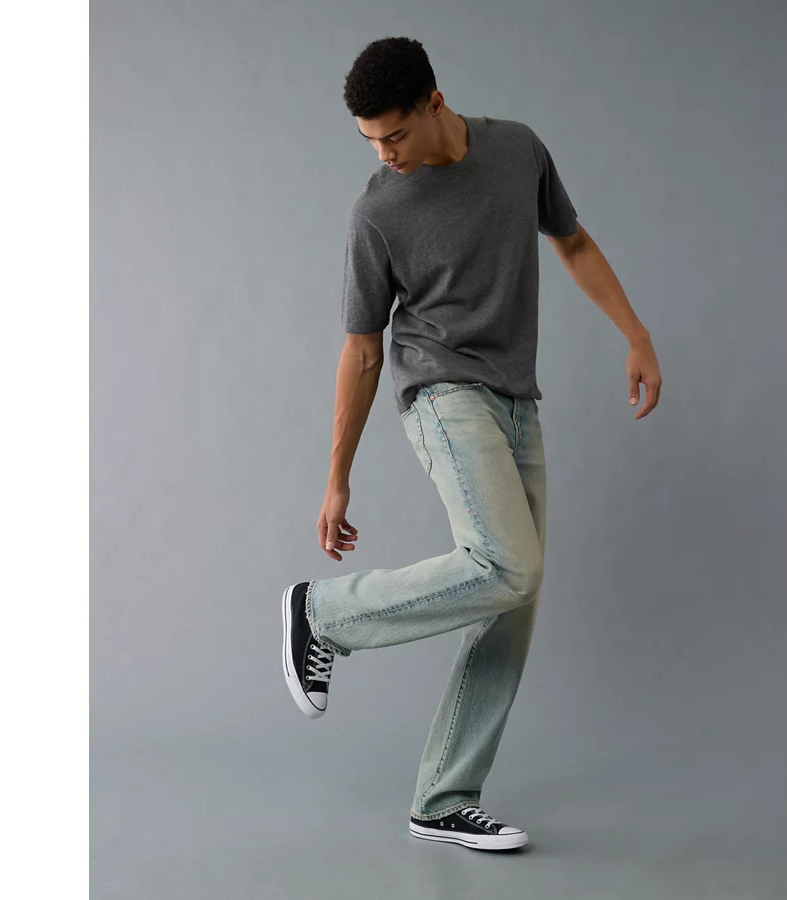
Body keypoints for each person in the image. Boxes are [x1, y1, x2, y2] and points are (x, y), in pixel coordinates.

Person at [281, 36, 663, 852]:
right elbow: (363, 351)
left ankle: (443, 798)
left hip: (517, 399)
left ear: (435, 103)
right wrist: (337, 477)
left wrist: (635, 333)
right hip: (440, 393)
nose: (385, 155)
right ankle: (321, 613)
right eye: (370, 141)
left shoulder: (517, 151)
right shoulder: (377, 213)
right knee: (509, 563)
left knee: (511, 599)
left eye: (394, 135)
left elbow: (572, 241)